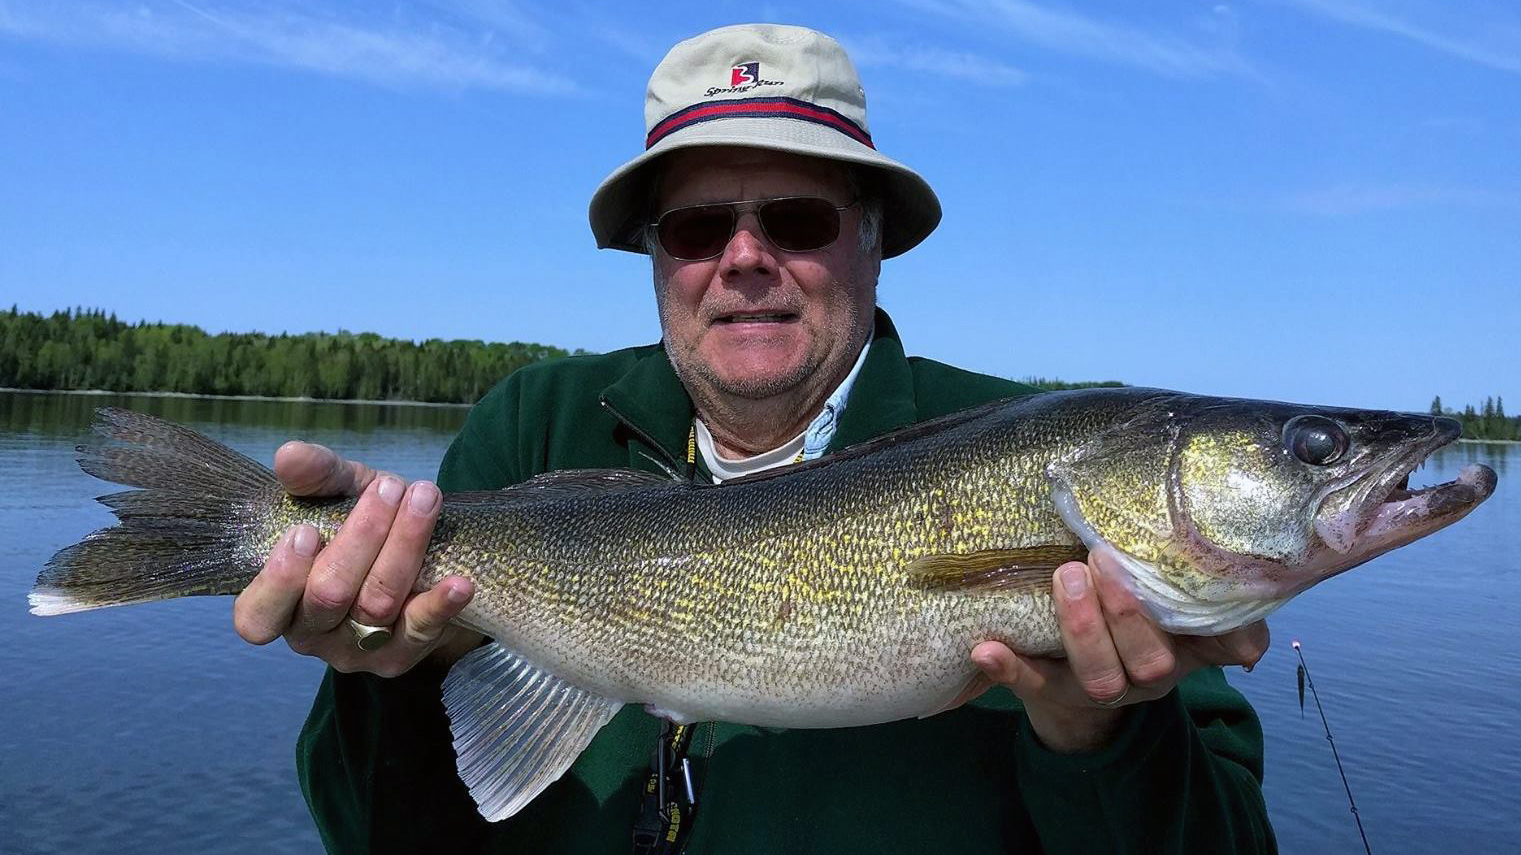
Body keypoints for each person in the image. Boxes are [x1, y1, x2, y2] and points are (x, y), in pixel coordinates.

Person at [232, 23, 1276, 854]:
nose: (743, 258)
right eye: (696, 229)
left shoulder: (1059, 467)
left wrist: (1100, 733)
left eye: (799, 220)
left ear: (873, 241)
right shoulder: (531, 430)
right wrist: (389, 673)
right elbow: (384, 836)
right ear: (655, 258)